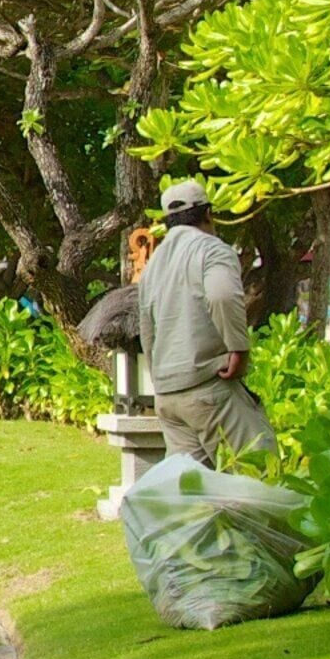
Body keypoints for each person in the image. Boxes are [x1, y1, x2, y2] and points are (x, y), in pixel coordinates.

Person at [136, 178, 270, 462]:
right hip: (209, 390)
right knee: (259, 474)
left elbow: (147, 328)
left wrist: (160, 375)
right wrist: (239, 350)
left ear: (168, 221)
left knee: (193, 494)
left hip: (169, 398)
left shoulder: (153, 265)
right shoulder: (211, 249)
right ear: (208, 213)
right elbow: (222, 296)